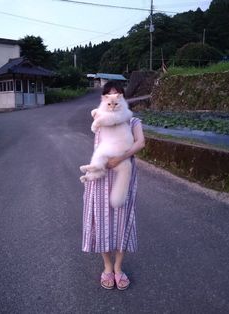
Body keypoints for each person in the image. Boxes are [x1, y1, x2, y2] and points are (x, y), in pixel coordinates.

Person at [82, 80, 145, 290]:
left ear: (122, 96)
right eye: (108, 94)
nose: (113, 98)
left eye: (117, 93)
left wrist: (120, 158)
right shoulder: (100, 119)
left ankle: (118, 268)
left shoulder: (133, 121)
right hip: (101, 178)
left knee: (122, 221)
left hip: (122, 173)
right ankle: (107, 267)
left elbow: (140, 143)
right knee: (101, 221)